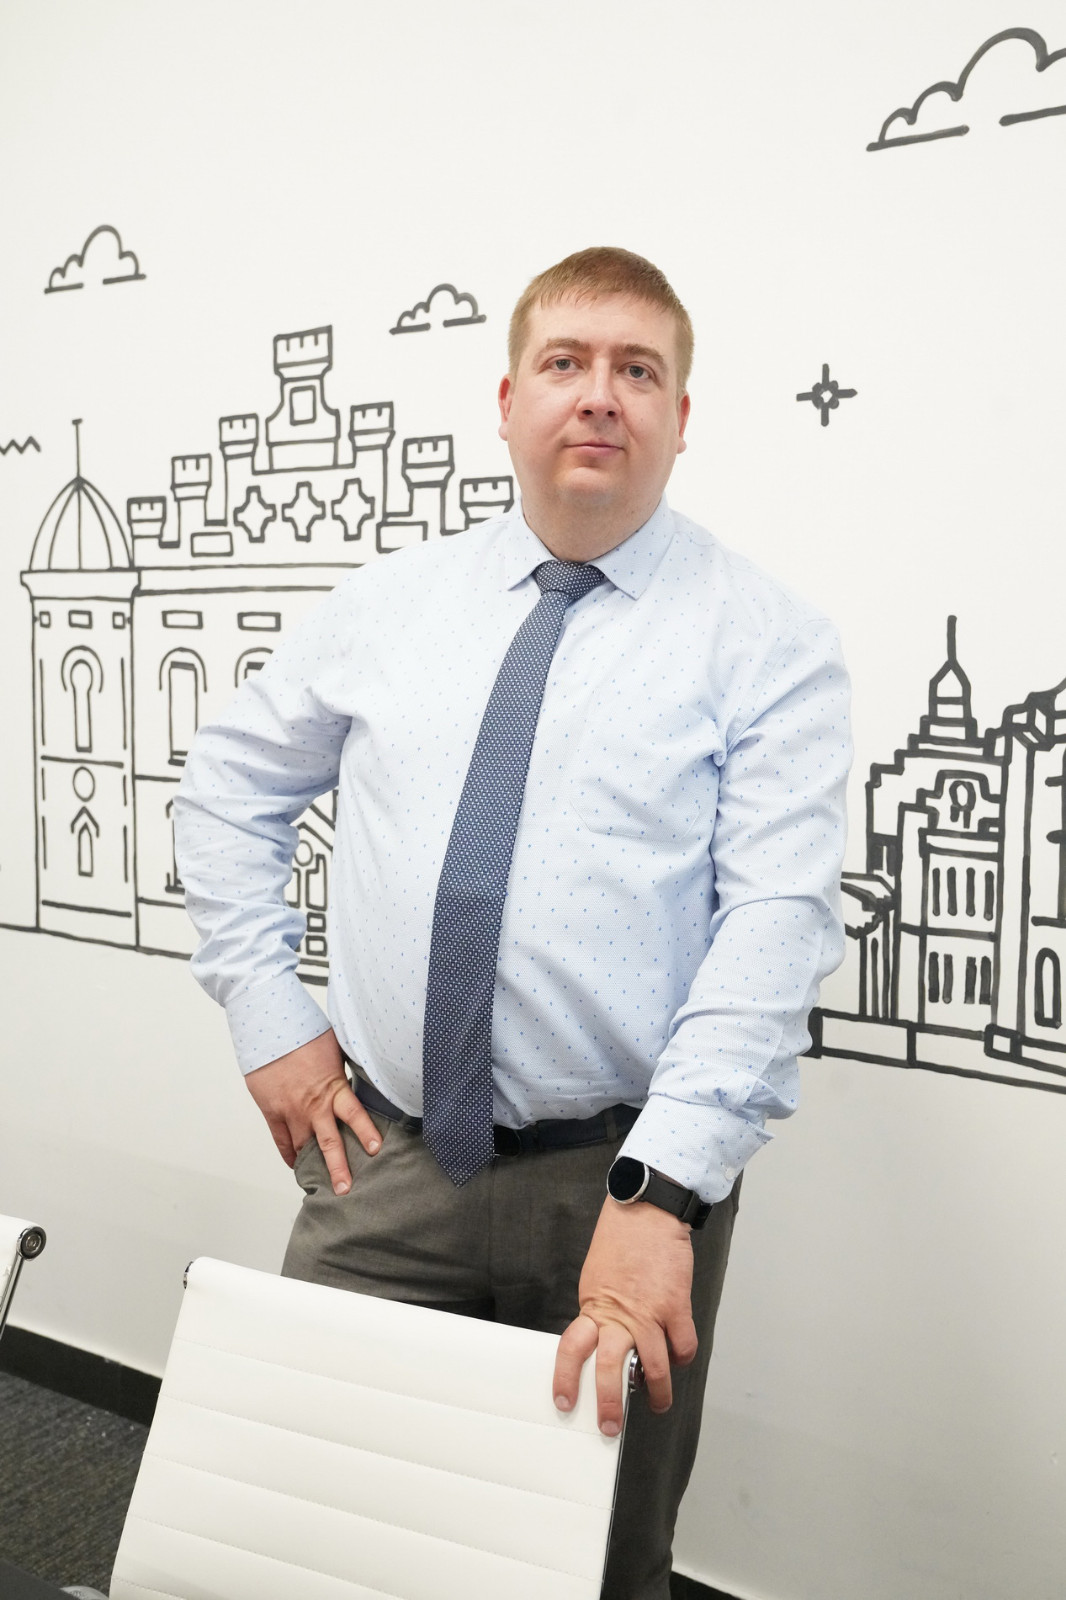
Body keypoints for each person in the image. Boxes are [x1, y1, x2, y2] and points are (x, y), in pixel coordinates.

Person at [174, 246, 851, 1598]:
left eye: (636, 370)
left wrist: (661, 1193)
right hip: (386, 1163)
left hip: (621, 1186)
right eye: (565, 362)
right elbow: (227, 790)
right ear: (506, 402)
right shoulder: (386, 605)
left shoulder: (767, 641)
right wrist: (269, 1015)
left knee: (598, 1560)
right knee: (312, 1526)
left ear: (680, 417)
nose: (598, 395)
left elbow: (774, 928)